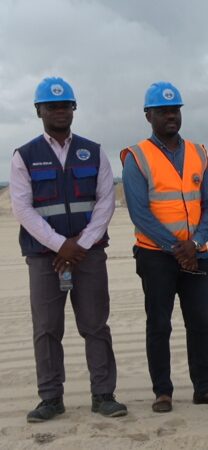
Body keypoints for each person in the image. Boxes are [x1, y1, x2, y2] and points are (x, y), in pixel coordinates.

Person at [10, 77, 127, 422]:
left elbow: (106, 202)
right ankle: (51, 398)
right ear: (39, 111)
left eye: (65, 105)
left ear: (73, 109)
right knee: (46, 328)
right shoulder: (25, 156)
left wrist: (81, 245)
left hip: (88, 255)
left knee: (95, 324)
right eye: (52, 106)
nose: (60, 111)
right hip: (44, 257)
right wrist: (62, 245)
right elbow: (23, 209)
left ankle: (104, 394)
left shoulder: (94, 151)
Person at [122, 81, 208, 412]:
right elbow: (140, 212)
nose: (171, 116)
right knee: (159, 323)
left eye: (175, 110)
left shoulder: (199, 153)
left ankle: (203, 388)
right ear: (148, 116)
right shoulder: (137, 157)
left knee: (199, 322)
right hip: (156, 255)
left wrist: (197, 242)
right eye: (162, 111)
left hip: (197, 253)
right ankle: (163, 392)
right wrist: (176, 247)